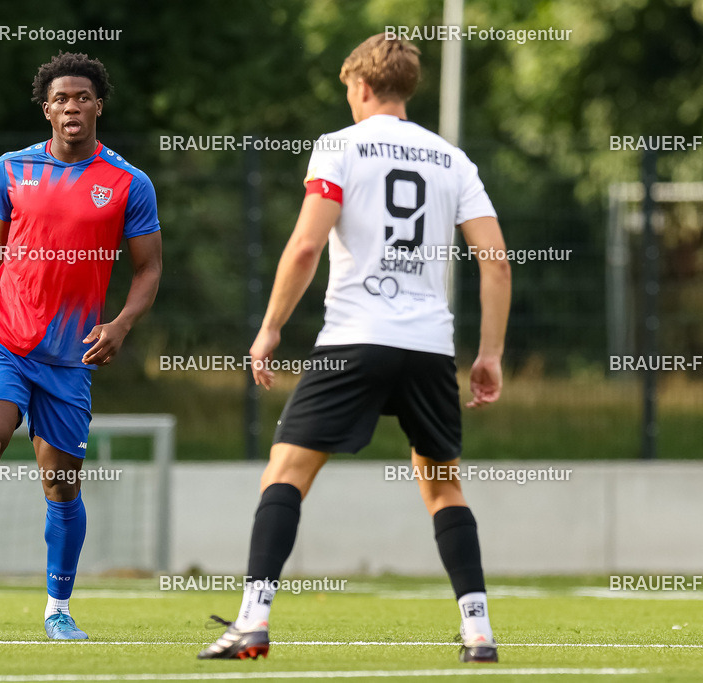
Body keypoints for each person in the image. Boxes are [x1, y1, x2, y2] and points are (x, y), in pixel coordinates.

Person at [199, 33, 511, 663]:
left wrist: (269, 328)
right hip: (427, 347)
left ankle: (252, 622)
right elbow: (496, 262)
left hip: (354, 338)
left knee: (286, 471)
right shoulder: (453, 159)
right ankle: (477, 630)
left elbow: (307, 246)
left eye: (348, 91)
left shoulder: (338, 148)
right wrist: (489, 354)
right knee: (443, 485)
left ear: (361, 87)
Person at [0, 52, 162, 640]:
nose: (71, 107)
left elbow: (148, 268)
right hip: (5, 336)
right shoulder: (11, 169)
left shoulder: (128, 184)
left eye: (82, 97)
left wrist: (120, 325)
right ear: (46, 109)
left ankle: (58, 610)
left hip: (69, 355)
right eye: (60, 99)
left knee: (60, 483)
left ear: (98, 106)